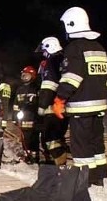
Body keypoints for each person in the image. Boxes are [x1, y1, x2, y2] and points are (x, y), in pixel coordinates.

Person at [53, 6, 107, 186]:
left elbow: (72, 78)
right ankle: (98, 178)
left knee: (81, 145)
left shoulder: (74, 49)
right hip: (99, 108)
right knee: (96, 144)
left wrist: (59, 99)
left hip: (81, 108)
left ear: (71, 25)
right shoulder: (99, 48)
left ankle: (83, 181)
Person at [35, 36, 69, 166]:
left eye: (44, 51)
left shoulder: (52, 61)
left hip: (53, 108)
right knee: (58, 137)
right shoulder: (65, 60)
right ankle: (57, 163)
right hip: (64, 107)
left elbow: (49, 86)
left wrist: (42, 105)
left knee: (51, 138)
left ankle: (59, 165)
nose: (43, 54)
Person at [13, 65, 39, 164]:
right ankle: (26, 155)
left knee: (33, 138)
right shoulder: (20, 89)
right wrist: (15, 117)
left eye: (26, 75)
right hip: (23, 118)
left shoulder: (35, 88)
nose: (24, 77)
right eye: (23, 75)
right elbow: (16, 105)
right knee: (25, 138)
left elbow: (39, 103)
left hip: (33, 118)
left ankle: (34, 156)